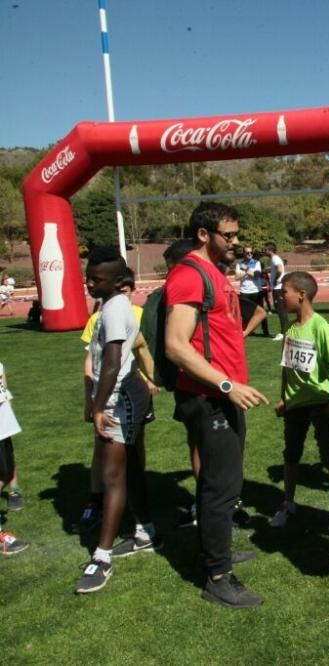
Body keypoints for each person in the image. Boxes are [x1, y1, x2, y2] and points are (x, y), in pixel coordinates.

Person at [165, 202, 269, 608]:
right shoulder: (190, 276)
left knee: (224, 483)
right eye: (229, 235)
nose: (236, 242)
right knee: (220, 486)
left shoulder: (212, 272)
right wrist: (227, 385)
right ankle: (218, 576)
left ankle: (217, 551)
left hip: (221, 395)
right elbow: (176, 345)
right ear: (204, 235)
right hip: (209, 398)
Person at [75, 248, 155, 594]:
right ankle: (144, 531)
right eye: (88, 275)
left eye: (97, 278)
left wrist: (96, 405)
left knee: (112, 475)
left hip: (119, 398)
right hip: (122, 395)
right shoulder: (109, 307)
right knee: (131, 468)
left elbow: (111, 363)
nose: (89, 282)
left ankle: (102, 556)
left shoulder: (116, 310)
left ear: (119, 281)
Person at [270, 272, 329, 532]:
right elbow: (287, 367)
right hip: (295, 405)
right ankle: (288, 502)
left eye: (285, 292)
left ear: (301, 295)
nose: (280, 296)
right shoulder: (291, 328)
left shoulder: (320, 326)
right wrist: (284, 396)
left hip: (320, 402)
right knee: (291, 454)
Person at [0, 359, 26, 517]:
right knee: (4, 472)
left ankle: (14, 491)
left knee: (7, 468)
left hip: (4, 424)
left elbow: (4, 390)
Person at [236, 246, 271, 338]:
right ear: (244, 253)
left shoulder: (257, 263)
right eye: (247, 253)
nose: (249, 254)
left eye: (251, 252)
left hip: (256, 291)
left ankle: (265, 331)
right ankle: (248, 331)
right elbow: (237, 277)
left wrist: (245, 269)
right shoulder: (239, 264)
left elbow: (256, 276)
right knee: (246, 314)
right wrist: (246, 272)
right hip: (244, 291)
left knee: (262, 312)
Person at [265, 242, 288, 341]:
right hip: (278, 288)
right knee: (281, 310)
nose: (264, 251)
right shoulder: (275, 259)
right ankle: (286, 331)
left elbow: (279, 269)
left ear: (270, 250)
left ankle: (284, 332)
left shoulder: (275, 258)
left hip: (278, 288)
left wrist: (275, 280)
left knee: (281, 311)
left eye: (265, 249)